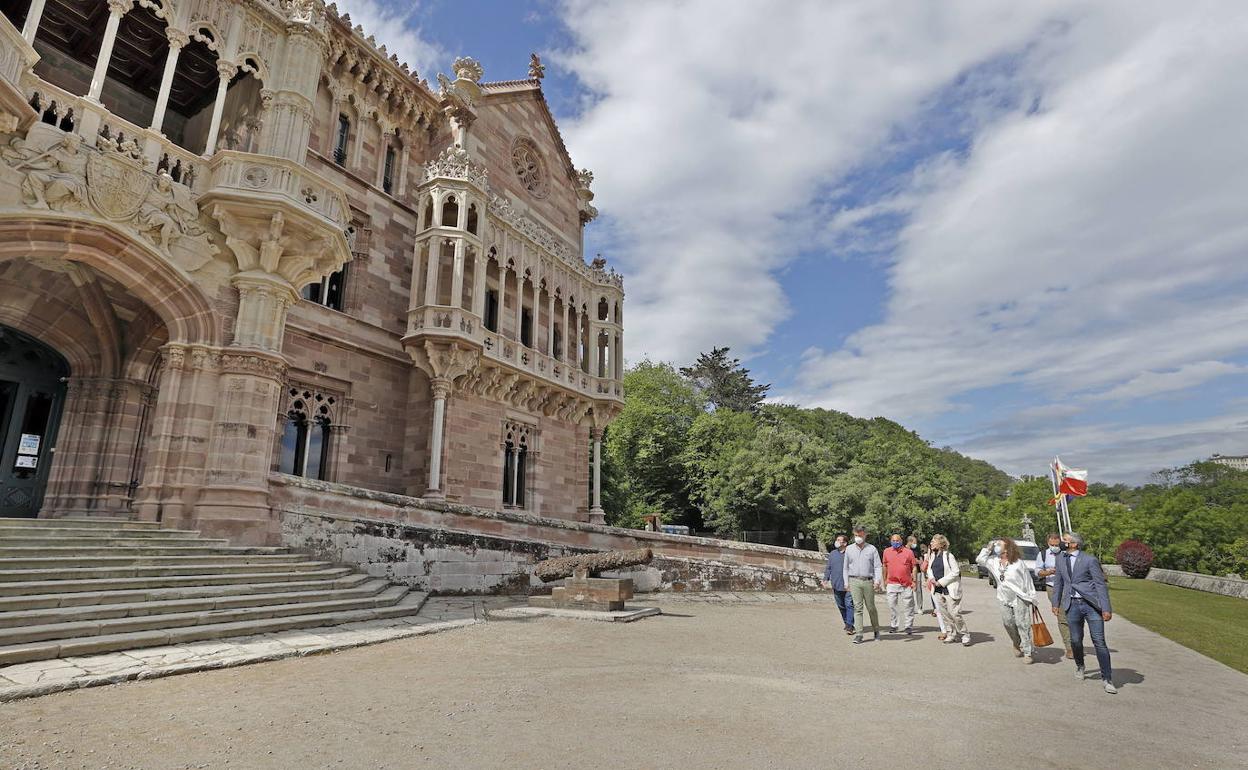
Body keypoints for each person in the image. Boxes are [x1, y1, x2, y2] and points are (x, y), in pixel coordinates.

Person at [1051, 532, 1116, 694]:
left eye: (1065, 540)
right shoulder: (1060, 559)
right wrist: (1055, 603)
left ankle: (1107, 678)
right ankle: (1080, 665)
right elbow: (1058, 582)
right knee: (1075, 640)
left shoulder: (1089, 560)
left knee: (1099, 641)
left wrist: (1106, 608)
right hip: (1071, 605)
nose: (1062, 542)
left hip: (1091, 605)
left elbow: (1100, 584)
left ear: (1074, 544)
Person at [976, 537, 1037, 663]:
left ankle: (1027, 651)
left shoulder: (1018, 563)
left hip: (1020, 596)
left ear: (1007, 548)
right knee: (1007, 622)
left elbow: (1028, 580)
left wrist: (1032, 597)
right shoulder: (994, 561)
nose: (996, 546)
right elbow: (980, 560)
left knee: (1022, 623)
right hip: (1003, 596)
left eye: (999, 544)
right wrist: (988, 548)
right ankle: (1016, 641)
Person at [925, 534, 971, 646]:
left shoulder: (949, 556)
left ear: (940, 544)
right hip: (937, 590)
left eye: (933, 541)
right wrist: (931, 578)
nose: (931, 543)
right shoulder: (932, 556)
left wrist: (941, 582)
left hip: (949, 589)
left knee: (954, 613)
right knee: (944, 614)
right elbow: (929, 570)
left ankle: (965, 634)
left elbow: (955, 572)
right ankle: (951, 633)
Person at [1034, 532, 1073, 658]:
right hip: (1053, 588)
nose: (1055, 546)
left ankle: (1075, 643)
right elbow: (1038, 572)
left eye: (1057, 544)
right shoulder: (1043, 554)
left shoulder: (1066, 554)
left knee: (1073, 616)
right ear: (1048, 543)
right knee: (1063, 618)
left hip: (1069, 588)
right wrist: (1048, 572)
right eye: (1052, 544)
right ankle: (1069, 647)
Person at [842, 525, 882, 644]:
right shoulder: (849, 549)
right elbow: (845, 568)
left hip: (868, 581)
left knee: (871, 607)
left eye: (860, 535)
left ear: (865, 535)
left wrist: (877, 580)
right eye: (856, 535)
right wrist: (846, 582)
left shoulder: (872, 549)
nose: (858, 537)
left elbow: (877, 566)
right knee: (857, 608)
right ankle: (859, 634)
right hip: (854, 581)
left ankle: (876, 630)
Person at [882, 533, 917, 635]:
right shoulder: (886, 551)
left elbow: (914, 567)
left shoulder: (909, 552)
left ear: (901, 541)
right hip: (892, 583)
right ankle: (894, 625)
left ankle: (908, 626)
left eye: (897, 540)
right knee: (892, 605)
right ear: (890, 541)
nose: (895, 542)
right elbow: (884, 566)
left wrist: (914, 581)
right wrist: (884, 579)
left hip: (906, 583)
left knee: (908, 606)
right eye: (893, 540)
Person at [822, 535, 855, 634]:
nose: (837, 542)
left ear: (845, 543)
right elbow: (829, 568)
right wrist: (825, 579)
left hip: (849, 584)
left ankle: (849, 625)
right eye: (837, 540)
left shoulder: (851, 554)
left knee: (849, 604)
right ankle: (847, 622)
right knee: (841, 605)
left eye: (839, 540)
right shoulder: (832, 554)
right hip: (836, 584)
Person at [906, 535, 924, 611]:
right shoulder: (904, 550)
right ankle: (910, 607)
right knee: (909, 590)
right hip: (908, 572)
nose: (915, 544)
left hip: (918, 571)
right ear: (909, 542)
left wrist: (918, 561)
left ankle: (919, 607)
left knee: (918, 589)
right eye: (914, 542)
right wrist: (914, 560)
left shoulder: (917, 549)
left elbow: (921, 560)